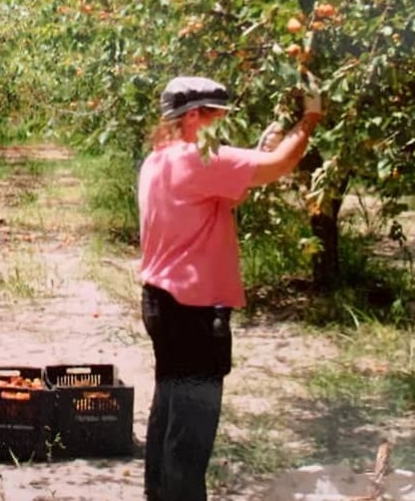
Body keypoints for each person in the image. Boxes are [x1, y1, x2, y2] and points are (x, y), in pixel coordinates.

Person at [138, 75, 322, 501]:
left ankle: (158, 494)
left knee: (169, 410)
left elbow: (230, 194)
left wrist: (260, 151)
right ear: (195, 117)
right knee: (192, 429)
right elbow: (279, 166)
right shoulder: (197, 158)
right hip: (193, 313)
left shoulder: (159, 159)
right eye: (218, 118)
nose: (222, 126)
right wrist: (309, 119)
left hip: (162, 303)